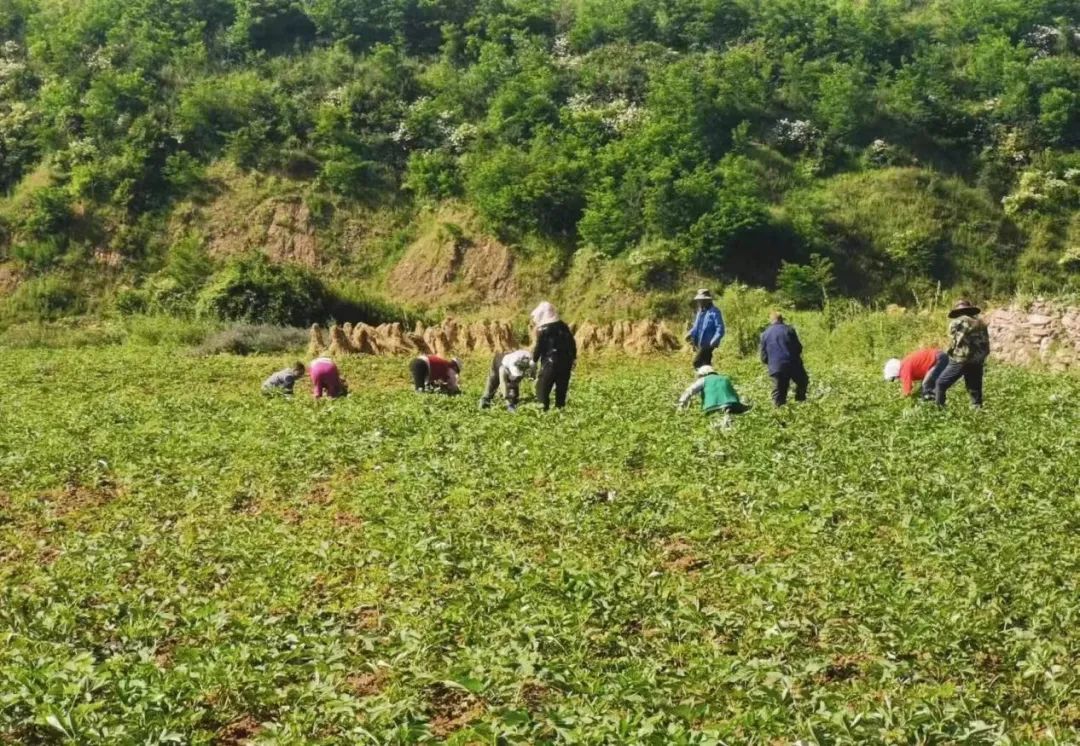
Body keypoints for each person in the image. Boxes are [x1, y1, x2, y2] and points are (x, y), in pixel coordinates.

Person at [935, 300, 991, 408]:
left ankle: (939, 411)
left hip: (961, 359)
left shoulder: (958, 322)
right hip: (978, 360)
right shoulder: (981, 322)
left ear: (957, 311)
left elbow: (955, 342)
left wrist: (949, 354)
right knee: (974, 388)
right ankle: (977, 411)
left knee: (940, 383)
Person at [531, 301, 577, 411]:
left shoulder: (544, 330)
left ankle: (543, 411)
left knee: (542, 388)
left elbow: (539, 347)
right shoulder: (563, 326)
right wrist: (574, 358)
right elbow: (572, 343)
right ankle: (559, 411)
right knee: (561, 389)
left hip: (551, 362)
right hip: (566, 362)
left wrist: (534, 360)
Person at [760, 311, 809, 406]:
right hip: (792, 364)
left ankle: (779, 415)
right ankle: (800, 402)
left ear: (771, 321)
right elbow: (798, 348)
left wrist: (771, 363)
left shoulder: (765, 334)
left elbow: (763, 356)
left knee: (779, 393)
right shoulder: (789, 330)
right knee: (803, 381)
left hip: (776, 367)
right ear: (782, 320)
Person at [677, 366, 752, 422]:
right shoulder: (725, 378)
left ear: (703, 374)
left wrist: (682, 403)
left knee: (717, 429)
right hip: (732, 405)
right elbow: (734, 393)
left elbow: (690, 390)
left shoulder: (703, 380)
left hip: (713, 407)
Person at [883, 348, 948, 400]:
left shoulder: (904, 369)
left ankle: (939, 403)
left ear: (894, 371)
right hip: (939, 357)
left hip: (939, 359)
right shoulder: (905, 364)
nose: (896, 380)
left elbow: (907, 390)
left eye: (893, 378)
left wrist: (900, 399)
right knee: (924, 387)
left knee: (926, 385)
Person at [685, 289, 725, 369]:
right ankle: (708, 378)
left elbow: (720, 328)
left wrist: (714, 340)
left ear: (707, 300)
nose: (699, 302)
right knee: (706, 363)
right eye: (699, 300)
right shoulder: (700, 312)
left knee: (697, 363)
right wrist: (690, 333)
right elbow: (696, 327)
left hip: (708, 343)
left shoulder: (714, 312)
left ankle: (701, 378)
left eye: (701, 300)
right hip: (699, 342)